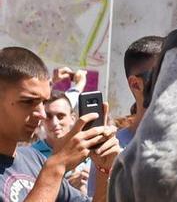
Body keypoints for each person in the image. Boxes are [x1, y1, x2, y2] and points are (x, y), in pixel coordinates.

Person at [0, 47, 119, 202]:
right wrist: (58, 164)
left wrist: (104, 170)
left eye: (43, 102)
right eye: (28, 101)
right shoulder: (50, 166)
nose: (42, 114)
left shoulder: (34, 159)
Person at [87, 35, 164, 195]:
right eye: (160, 75)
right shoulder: (110, 148)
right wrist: (106, 170)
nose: (171, 81)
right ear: (136, 84)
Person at [32, 90, 92, 193]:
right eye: (48, 117)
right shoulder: (31, 155)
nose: (55, 123)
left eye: (60, 116)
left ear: (73, 118)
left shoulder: (90, 148)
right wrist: (66, 187)